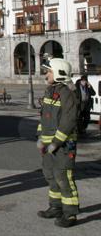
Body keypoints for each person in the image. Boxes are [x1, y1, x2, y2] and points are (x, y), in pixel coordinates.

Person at [36, 58, 79, 228]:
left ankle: (70, 214)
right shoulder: (50, 91)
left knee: (63, 177)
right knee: (50, 175)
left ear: (59, 73)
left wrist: (56, 143)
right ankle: (56, 207)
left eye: (49, 72)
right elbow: (44, 117)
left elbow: (68, 121)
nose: (46, 75)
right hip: (48, 146)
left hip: (63, 145)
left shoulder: (67, 93)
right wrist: (40, 137)